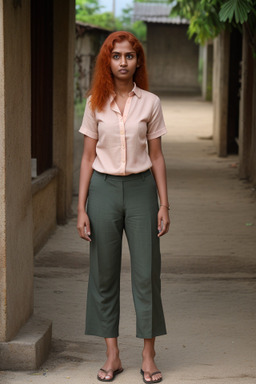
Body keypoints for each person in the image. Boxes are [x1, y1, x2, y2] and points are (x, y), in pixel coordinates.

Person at [77, 31, 170, 383]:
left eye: (129, 56)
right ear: (107, 61)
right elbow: (87, 158)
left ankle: (148, 354)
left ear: (138, 61)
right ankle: (112, 354)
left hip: (141, 191)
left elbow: (158, 156)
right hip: (102, 191)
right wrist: (82, 207)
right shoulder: (94, 104)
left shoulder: (150, 103)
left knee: (147, 274)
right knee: (103, 274)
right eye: (116, 56)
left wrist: (164, 203)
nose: (123, 62)